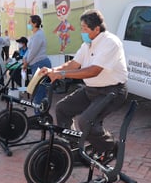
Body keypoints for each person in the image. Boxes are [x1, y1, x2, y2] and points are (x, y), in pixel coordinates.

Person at [40, 9, 128, 162]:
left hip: (112, 91)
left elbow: (93, 71)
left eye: (84, 28)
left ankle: (111, 147)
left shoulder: (110, 42)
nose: (82, 31)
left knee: (86, 122)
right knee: (62, 108)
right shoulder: (87, 44)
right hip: (92, 90)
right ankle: (73, 147)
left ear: (97, 29)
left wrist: (62, 75)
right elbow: (74, 64)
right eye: (81, 28)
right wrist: (54, 70)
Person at [22, 15, 52, 113]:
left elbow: (33, 51)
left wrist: (26, 62)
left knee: (38, 91)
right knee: (38, 91)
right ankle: (41, 114)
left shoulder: (39, 35)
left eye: (29, 22)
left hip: (40, 64)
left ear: (35, 24)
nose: (28, 24)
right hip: (36, 64)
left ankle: (39, 116)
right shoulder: (34, 35)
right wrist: (24, 58)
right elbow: (29, 50)